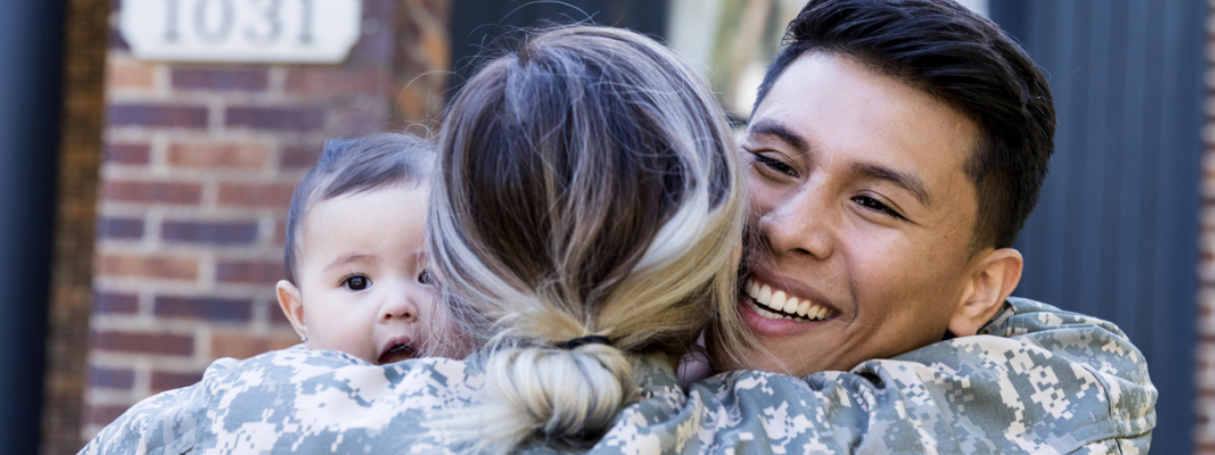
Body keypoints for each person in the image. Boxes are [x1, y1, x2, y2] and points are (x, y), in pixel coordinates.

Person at [82, 1, 1156, 451]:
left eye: (873, 201)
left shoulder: (262, 410)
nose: (786, 226)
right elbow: (1102, 379)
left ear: (983, 285)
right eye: (768, 163)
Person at [273, 134, 470, 365]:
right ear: (301, 313)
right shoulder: (272, 393)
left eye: (429, 277)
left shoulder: (500, 389)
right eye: (357, 282)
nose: (397, 305)